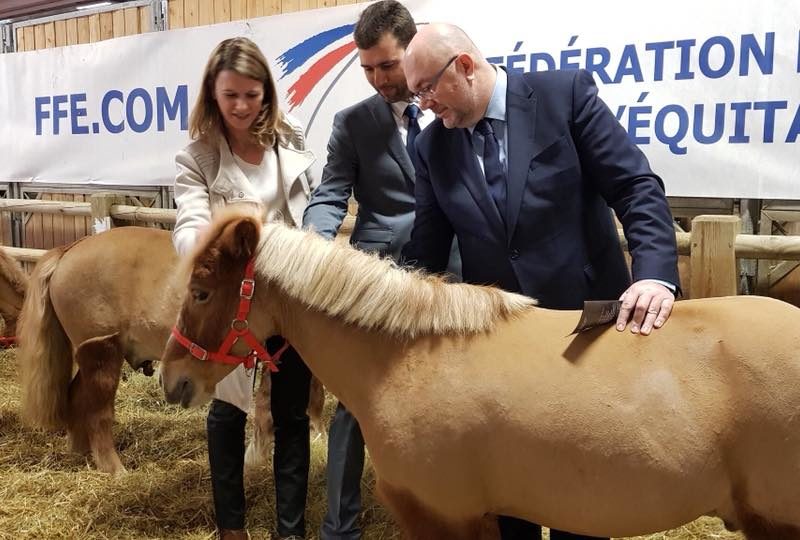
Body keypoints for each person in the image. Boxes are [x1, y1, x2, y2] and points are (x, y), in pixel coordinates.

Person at [401, 23, 680, 540]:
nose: (423, 105)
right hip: (504, 354)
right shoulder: (431, 148)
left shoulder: (564, 95)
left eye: (426, 89)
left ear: (463, 65)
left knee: (586, 499)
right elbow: (427, 252)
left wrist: (656, 277)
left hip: (588, 338)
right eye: (415, 93)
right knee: (514, 501)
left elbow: (635, 186)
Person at [302, 2, 459, 539]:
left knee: (452, 399)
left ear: (413, 52)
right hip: (376, 281)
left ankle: (450, 512)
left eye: (387, 67)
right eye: (366, 69)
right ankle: (339, 527)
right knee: (353, 403)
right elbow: (328, 196)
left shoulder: (452, 107)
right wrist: (312, 249)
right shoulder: (352, 124)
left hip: (452, 277)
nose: (378, 79)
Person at [173, 37, 316, 540]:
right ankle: (231, 529)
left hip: (289, 298)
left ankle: (289, 530)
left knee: (291, 413)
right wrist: (204, 256)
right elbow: (190, 221)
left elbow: (308, 210)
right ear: (212, 93)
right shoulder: (198, 157)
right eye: (229, 94)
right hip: (236, 302)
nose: (240, 106)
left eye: (251, 95)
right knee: (228, 409)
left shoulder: (291, 139)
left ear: (267, 94)